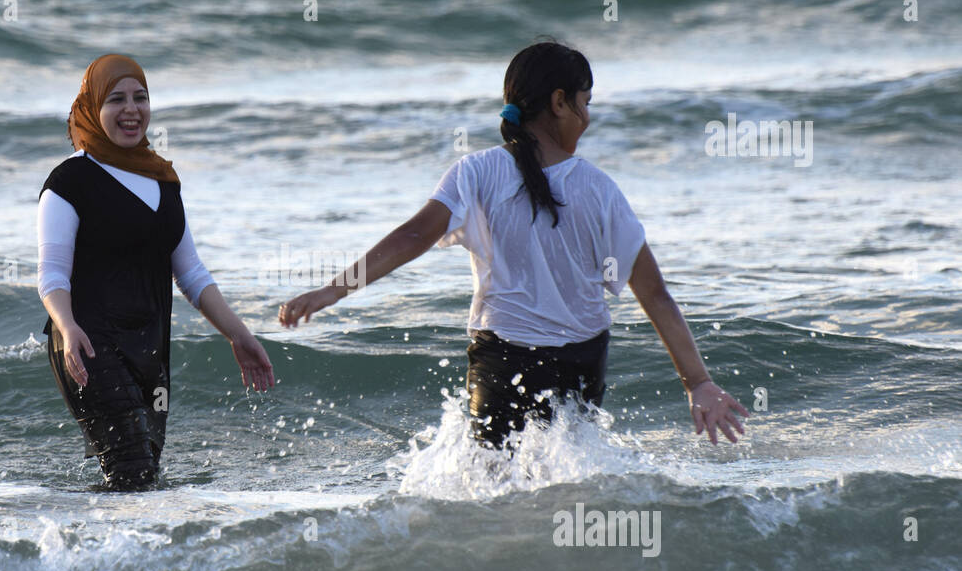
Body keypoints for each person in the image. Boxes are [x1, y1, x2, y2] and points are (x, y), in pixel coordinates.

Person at [277, 39, 747, 448]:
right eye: (586, 101)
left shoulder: (476, 173)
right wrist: (698, 383)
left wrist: (332, 291)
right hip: (580, 360)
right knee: (568, 476)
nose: (589, 116)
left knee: (493, 485)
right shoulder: (599, 188)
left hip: (504, 359)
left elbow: (414, 235)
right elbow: (655, 294)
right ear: (560, 102)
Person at [38, 54, 274, 488]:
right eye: (116, 99)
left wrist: (239, 335)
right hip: (87, 344)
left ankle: (102, 547)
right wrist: (67, 327)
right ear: (92, 108)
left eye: (140, 97)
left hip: (148, 347)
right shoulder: (68, 183)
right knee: (133, 471)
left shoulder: (164, 181)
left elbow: (192, 275)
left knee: (142, 480)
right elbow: (51, 275)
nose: (131, 109)